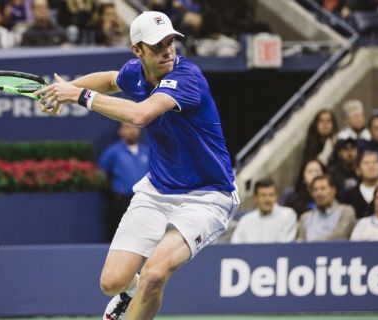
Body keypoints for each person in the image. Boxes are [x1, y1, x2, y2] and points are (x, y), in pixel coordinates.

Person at [34, 11, 240, 320]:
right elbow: (109, 79)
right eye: (157, 45)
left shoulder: (187, 77)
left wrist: (78, 95)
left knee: (155, 274)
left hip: (206, 196)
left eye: (171, 41)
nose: (167, 50)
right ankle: (130, 293)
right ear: (137, 50)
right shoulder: (136, 72)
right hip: (157, 191)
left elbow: (140, 115)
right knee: (111, 282)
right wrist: (62, 92)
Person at [99, 123, 150, 241]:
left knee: (145, 236)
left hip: (145, 200)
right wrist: (114, 190)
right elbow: (101, 173)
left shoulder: (147, 151)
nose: (132, 131)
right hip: (122, 201)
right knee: (123, 238)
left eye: (135, 127)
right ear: (120, 131)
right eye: (127, 127)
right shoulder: (112, 152)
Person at [231, 178, 297, 244]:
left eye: (271, 195)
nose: (267, 199)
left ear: (276, 196)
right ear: (255, 198)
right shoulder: (245, 221)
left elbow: (284, 247)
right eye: (263, 195)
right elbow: (236, 248)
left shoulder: (288, 215)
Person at [297, 175, 356, 241]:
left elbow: (341, 235)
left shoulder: (346, 211)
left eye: (323, 188)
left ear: (333, 190)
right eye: (315, 190)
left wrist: (314, 243)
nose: (319, 193)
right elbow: (301, 242)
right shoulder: (305, 218)